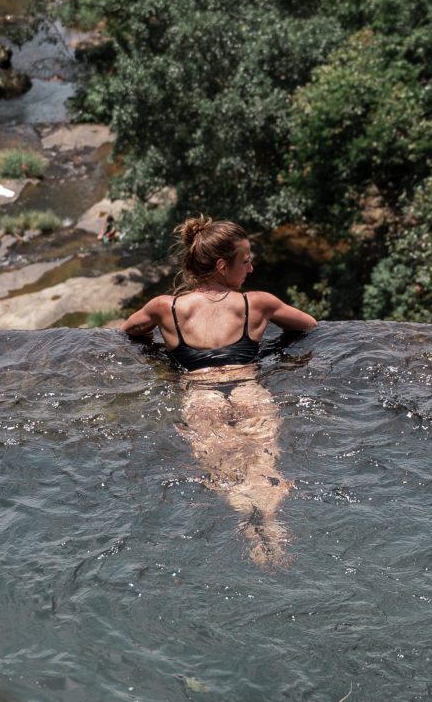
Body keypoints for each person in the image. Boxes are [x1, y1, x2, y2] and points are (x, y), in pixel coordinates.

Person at [119, 218, 317, 566]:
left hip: (201, 395)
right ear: (223, 265)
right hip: (248, 390)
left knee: (224, 471)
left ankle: (248, 524)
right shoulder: (257, 303)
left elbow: (130, 329)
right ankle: (272, 525)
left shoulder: (167, 307)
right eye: (245, 261)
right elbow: (308, 325)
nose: (251, 268)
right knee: (263, 460)